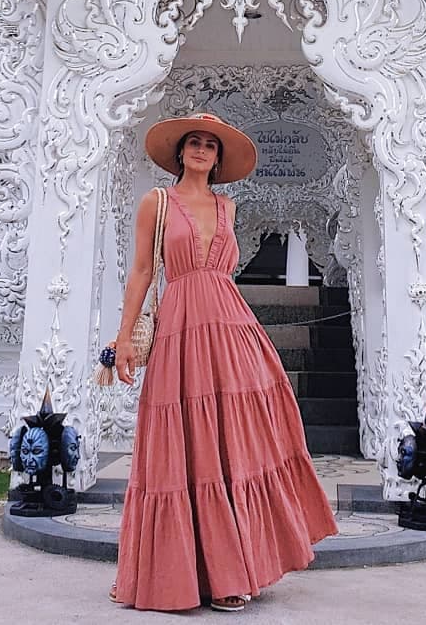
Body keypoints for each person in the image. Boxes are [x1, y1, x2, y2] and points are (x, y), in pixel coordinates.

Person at [109, 113, 337, 612]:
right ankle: (174, 572)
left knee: (237, 439)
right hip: (179, 329)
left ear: (217, 159)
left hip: (232, 327)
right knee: (183, 445)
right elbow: (142, 271)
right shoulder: (157, 203)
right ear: (180, 152)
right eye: (193, 142)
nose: (200, 150)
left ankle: (235, 571)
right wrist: (123, 339)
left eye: (210, 146)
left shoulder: (228, 207)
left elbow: (224, 273)